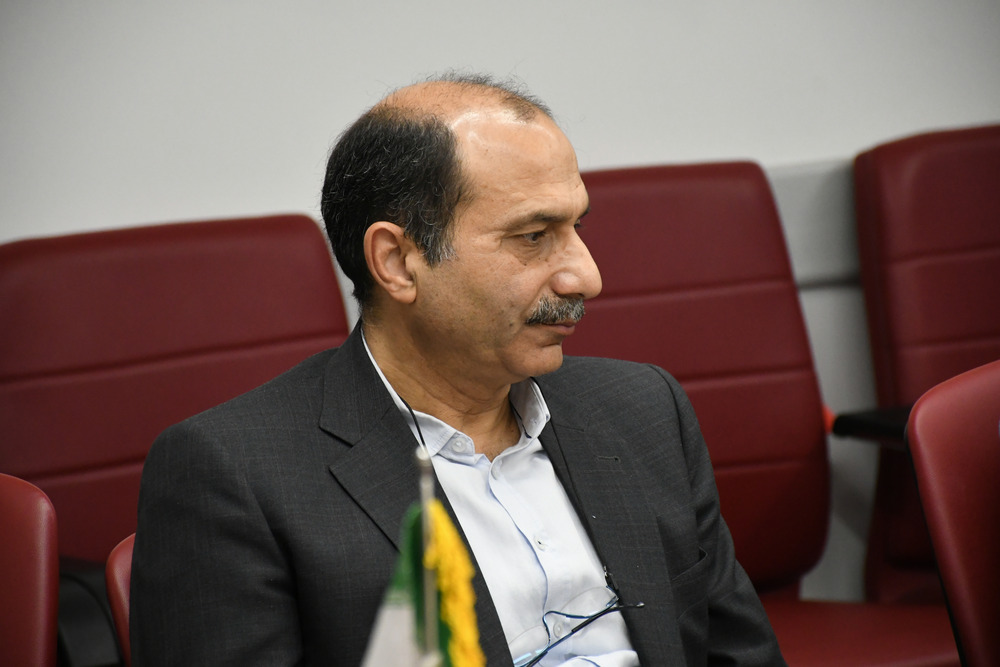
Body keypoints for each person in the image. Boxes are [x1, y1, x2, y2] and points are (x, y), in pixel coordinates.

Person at [131, 72, 786, 666]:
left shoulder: (643, 409)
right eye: (533, 236)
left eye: (577, 228)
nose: (586, 276)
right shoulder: (233, 475)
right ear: (397, 262)